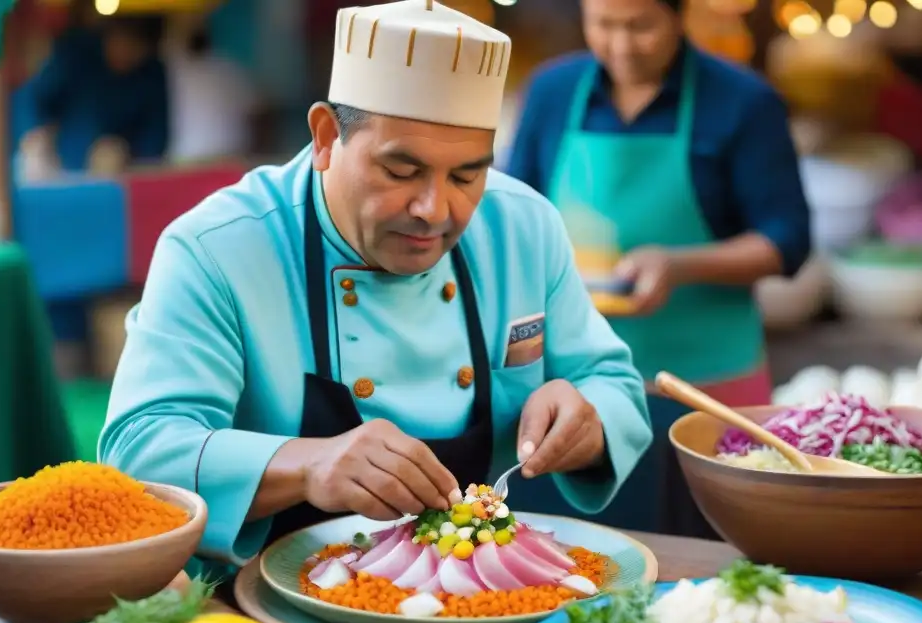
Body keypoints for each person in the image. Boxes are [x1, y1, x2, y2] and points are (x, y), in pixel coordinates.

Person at [99, 0, 651, 577]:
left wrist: (586, 421)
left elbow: (612, 384)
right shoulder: (218, 247)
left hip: (478, 601)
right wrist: (307, 464)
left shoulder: (522, 225)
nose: (434, 210)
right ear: (324, 136)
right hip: (260, 618)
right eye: (401, 171)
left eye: (466, 175)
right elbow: (139, 449)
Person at [505, 0, 810, 537]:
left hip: (707, 384)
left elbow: (787, 240)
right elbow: (512, 215)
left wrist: (680, 265)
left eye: (640, 26)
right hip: (575, 383)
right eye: (604, 25)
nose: (620, 45)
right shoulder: (552, 92)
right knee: (578, 549)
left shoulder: (743, 102)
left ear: (678, 15)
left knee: (709, 550)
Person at [17, 14, 169, 175]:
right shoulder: (76, 52)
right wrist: (35, 136)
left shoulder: (152, 75)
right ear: (109, 34)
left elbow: (154, 144)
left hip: (118, 177)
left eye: (135, 49)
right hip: (61, 169)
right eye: (121, 42)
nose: (125, 53)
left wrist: (127, 156)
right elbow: (32, 97)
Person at [166, 27, 262, 163]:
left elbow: (257, 113)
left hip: (212, 156)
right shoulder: (230, 68)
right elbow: (257, 113)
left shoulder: (174, 69)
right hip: (206, 155)